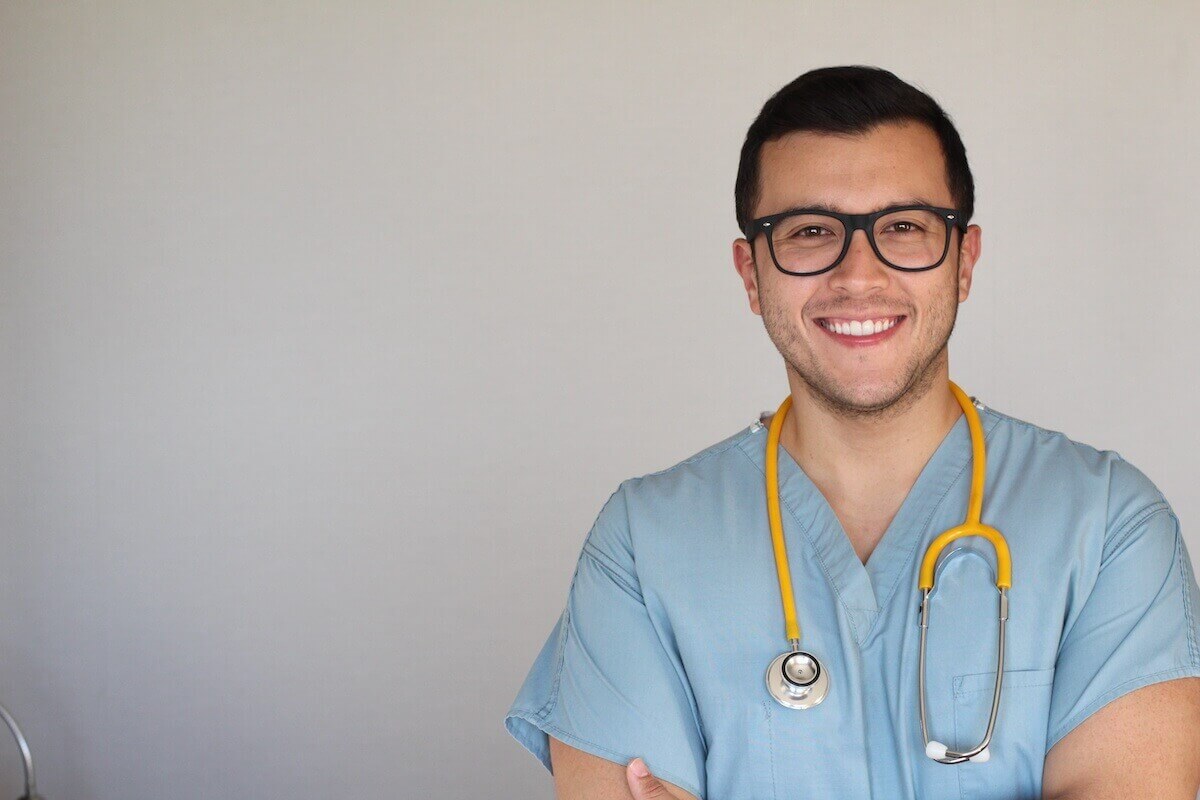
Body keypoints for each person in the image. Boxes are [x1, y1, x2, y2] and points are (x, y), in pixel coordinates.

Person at [503, 65, 1200, 799]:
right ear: (751, 272)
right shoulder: (643, 546)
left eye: (903, 227)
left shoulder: (1109, 525)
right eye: (809, 232)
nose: (858, 274)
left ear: (964, 262)